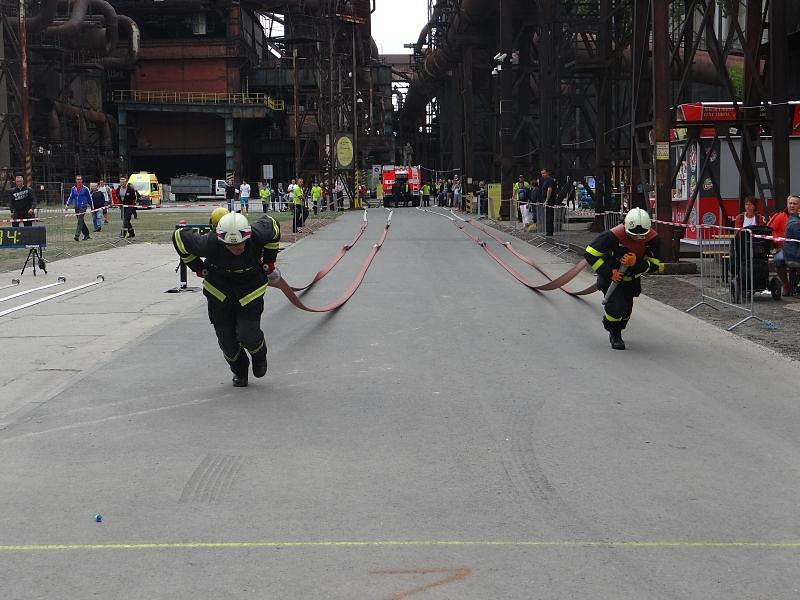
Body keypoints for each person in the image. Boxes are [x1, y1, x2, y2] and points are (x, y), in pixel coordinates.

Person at [173, 211, 281, 387]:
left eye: (240, 243)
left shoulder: (257, 234)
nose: (237, 248)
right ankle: (239, 371)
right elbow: (178, 236)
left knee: (248, 334)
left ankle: (259, 355)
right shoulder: (209, 243)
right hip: (219, 291)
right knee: (226, 340)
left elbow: (273, 225)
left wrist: (270, 260)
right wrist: (197, 267)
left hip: (249, 290)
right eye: (231, 245)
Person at [584, 207, 661, 350]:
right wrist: (609, 272)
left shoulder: (653, 240)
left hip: (631, 281)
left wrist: (636, 263)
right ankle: (614, 333)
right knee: (616, 307)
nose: (638, 239)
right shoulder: (613, 236)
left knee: (626, 310)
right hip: (611, 279)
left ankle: (619, 326)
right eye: (633, 235)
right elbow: (590, 253)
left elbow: (654, 265)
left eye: (641, 235)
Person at [768, 195, 800, 295]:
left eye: (795, 204)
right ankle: (786, 285)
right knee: (778, 260)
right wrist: (778, 240)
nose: (792, 206)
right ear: (787, 204)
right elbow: (770, 230)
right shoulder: (780, 216)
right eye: (790, 203)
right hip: (782, 248)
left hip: (798, 249)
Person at [66, 174, 92, 241]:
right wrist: (67, 204)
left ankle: (77, 235)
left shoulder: (85, 189)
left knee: (80, 220)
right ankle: (87, 235)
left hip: (83, 206)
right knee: (81, 221)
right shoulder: (73, 189)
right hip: (76, 207)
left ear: (82, 180)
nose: (79, 180)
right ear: (76, 180)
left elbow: (89, 198)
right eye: (77, 179)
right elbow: (71, 197)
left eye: (80, 179)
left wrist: (92, 206)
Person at [540, 167, 558, 236]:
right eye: (542, 173)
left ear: (547, 173)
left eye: (544, 173)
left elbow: (549, 190)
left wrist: (547, 200)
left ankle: (550, 232)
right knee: (547, 216)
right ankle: (548, 230)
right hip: (546, 200)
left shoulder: (550, 180)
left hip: (550, 201)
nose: (543, 175)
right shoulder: (545, 181)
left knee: (549, 216)